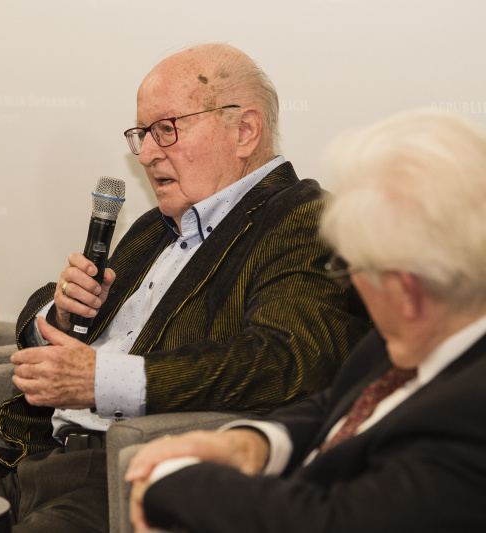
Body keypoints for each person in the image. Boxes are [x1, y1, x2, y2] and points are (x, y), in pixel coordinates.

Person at [0, 43, 370, 532]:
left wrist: (105, 380)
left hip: (122, 473)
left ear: (245, 130)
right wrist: (62, 313)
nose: (147, 154)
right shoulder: (155, 225)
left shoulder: (303, 218)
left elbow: (286, 363)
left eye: (166, 129)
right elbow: (39, 318)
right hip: (33, 459)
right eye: (142, 134)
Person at [126, 108, 486, 533]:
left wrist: (171, 482)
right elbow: (334, 407)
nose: (350, 284)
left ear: (407, 291)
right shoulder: (409, 338)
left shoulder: (469, 416)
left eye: (350, 267)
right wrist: (253, 444)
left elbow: (329, 519)